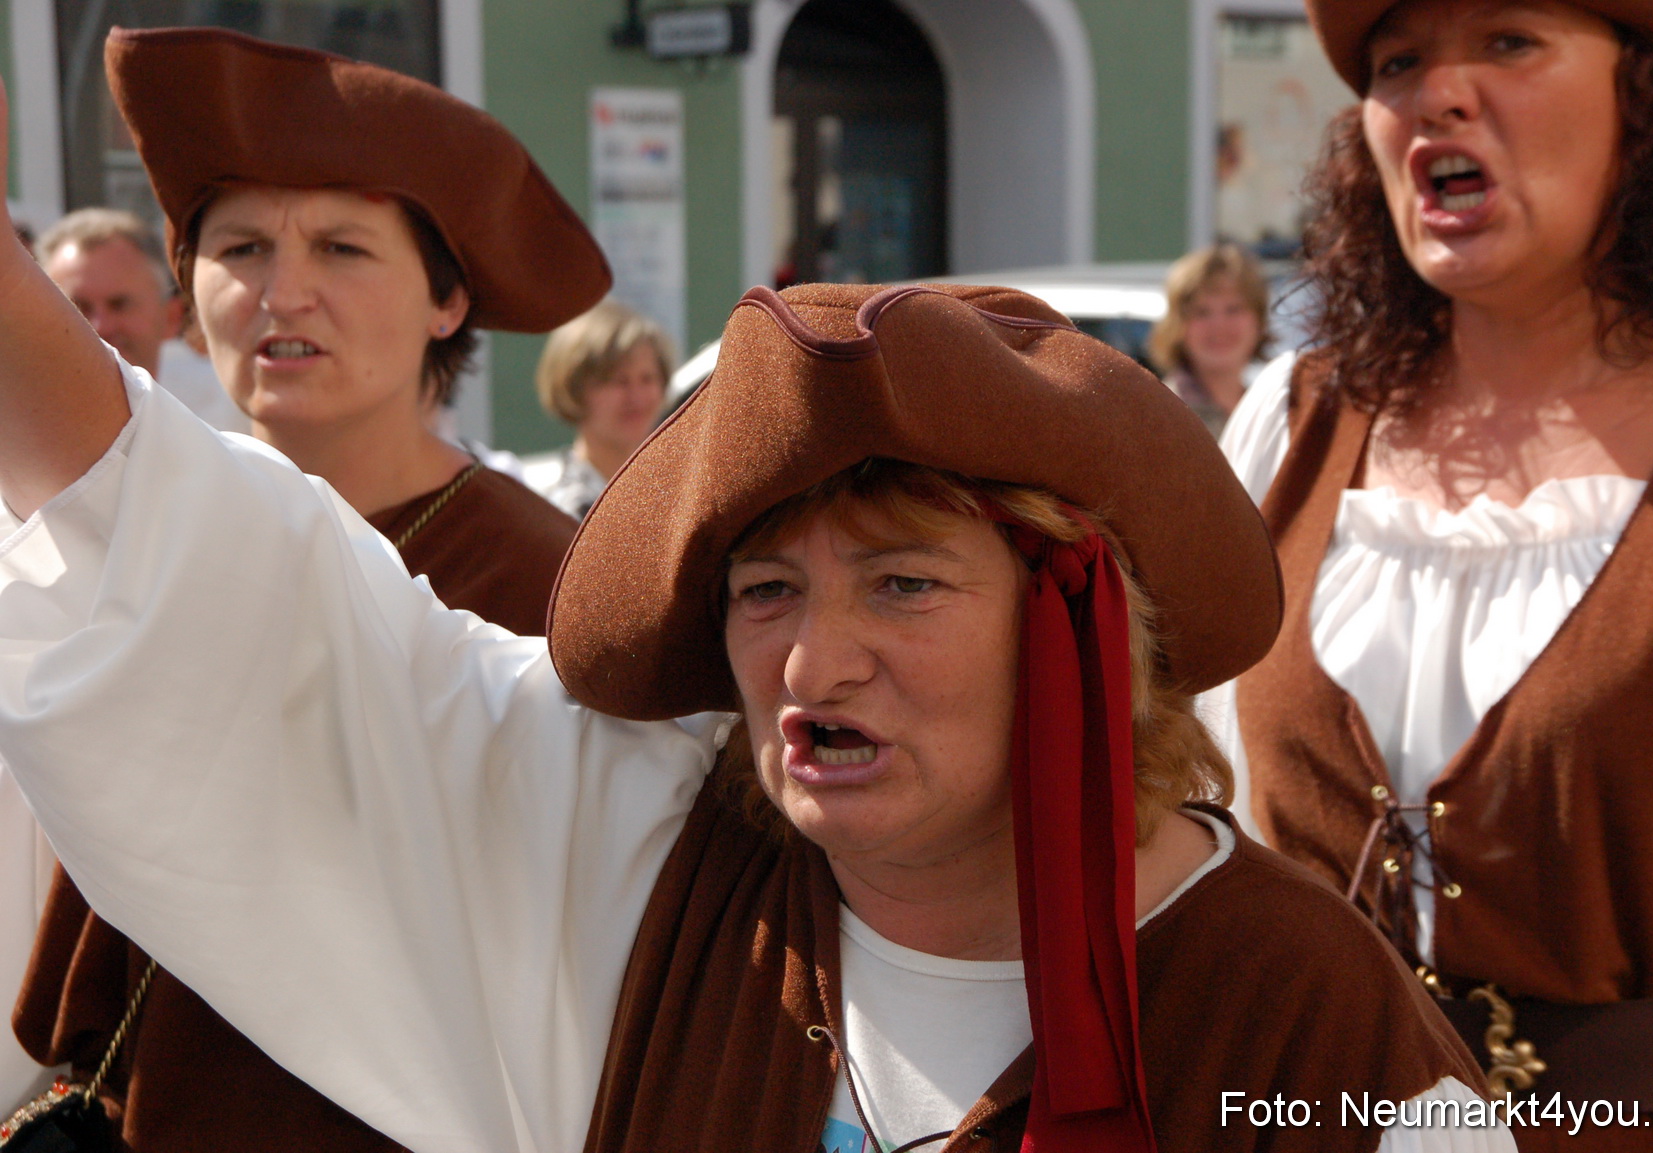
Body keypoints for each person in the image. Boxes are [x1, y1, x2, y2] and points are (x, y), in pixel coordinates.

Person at [0, 82, 1522, 1145]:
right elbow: (249, 604)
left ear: (1073, 619)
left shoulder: (1280, 999)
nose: (812, 657)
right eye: (766, 591)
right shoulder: (657, 864)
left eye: (904, 583)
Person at [3, 27, 603, 1150]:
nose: (284, 293)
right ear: (187, 295)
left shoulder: (546, 581)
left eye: (342, 248)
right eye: (238, 249)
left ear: (446, 301)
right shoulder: (100, 535)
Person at [1214, 0, 1653, 1143]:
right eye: (1400, 64)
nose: (1437, 96)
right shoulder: (1289, 424)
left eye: (1508, 43)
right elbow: (1193, 808)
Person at [35, 207, 249, 432]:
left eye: (119, 305)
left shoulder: (229, 425)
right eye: (77, 307)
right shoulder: (12, 438)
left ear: (170, 317)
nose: (101, 326)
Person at [524, 298, 675, 519]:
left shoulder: (674, 492)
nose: (636, 396)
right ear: (575, 389)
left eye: (647, 378)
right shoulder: (567, 510)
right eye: (619, 381)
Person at [1146, 243, 1269, 437]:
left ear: (1259, 320)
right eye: (1202, 312)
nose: (1219, 325)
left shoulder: (1270, 410)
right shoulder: (1160, 415)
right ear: (1177, 326)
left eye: (1233, 309)